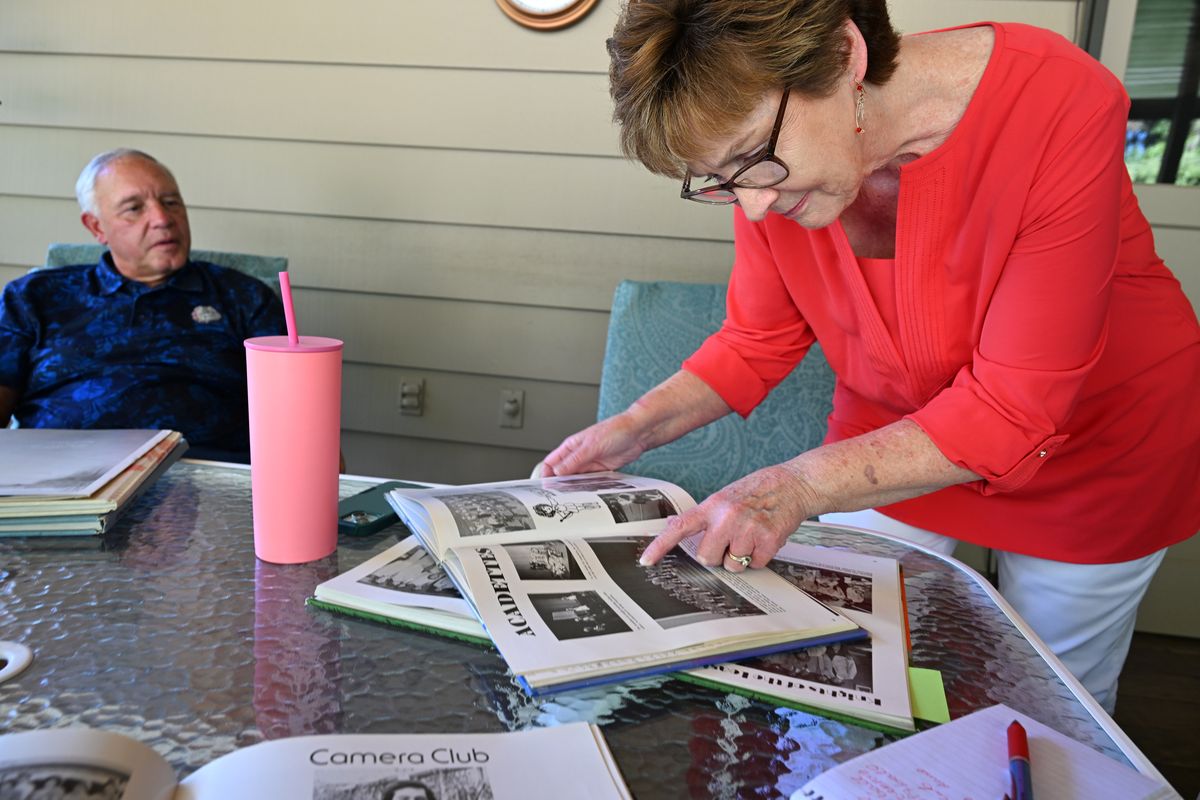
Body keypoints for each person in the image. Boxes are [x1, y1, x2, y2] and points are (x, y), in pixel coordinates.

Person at [539, 0, 1200, 714]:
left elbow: (1014, 407)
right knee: (838, 663)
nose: (752, 207)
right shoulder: (769, 170)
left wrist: (792, 486)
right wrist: (631, 428)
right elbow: (756, 338)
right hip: (892, 427)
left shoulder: (1058, 100)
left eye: (751, 160)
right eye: (721, 181)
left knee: (1050, 701)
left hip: (1098, 444)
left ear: (845, 55)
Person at [0, 148, 285, 462]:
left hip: (206, 477)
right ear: (96, 227)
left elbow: (293, 409)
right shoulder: (34, 297)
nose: (162, 219)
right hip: (61, 479)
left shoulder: (243, 296)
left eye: (171, 202)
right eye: (134, 208)